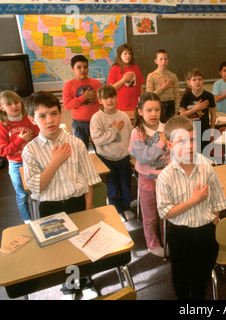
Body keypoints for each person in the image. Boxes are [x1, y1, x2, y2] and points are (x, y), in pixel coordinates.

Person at [22, 91, 101, 299]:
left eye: (54, 113)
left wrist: (89, 208)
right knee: (62, 252)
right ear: (32, 119)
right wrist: (55, 161)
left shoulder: (76, 143)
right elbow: (36, 187)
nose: (50, 120)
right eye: (42, 116)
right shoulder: (30, 151)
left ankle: (85, 281)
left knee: (82, 246)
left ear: (61, 114)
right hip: (50, 208)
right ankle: (69, 286)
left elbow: (89, 180)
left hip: (77, 203)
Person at [156, 116, 226, 300]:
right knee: (180, 278)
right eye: (182, 141)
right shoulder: (165, 177)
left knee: (201, 278)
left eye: (193, 140)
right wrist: (192, 202)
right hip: (180, 234)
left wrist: (212, 223)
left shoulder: (207, 169)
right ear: (170, 145)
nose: (189, 146)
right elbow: (165, 213)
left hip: (206, 232)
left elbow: (217, 202)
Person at [129, 92, 170, 257]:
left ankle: (166, 240)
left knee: (165, 213)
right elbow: (144, 156)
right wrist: (162, 141)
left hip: (166, 179)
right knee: (150, 216)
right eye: (149, 110)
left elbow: (174, 152)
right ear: (140, 111)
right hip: (147, 180)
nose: (153, 114)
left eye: (157, 110)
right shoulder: (137, 133)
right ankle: (153, 244)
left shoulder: (166, 128)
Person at [90, 84, 134, 222]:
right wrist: (114, 130)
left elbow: (130, 136)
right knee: (112, 187)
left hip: (123, 157)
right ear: (100, 100)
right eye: (106, 98)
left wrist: (131, 155)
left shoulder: (123, 116)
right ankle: (117, 210)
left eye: (112, 97)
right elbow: (98, 139)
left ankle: (126, 208)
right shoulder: (97, 118)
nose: (109, 100)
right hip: (107, 158)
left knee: (126, 185)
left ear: (116, 98)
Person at [0, 91, 39, 223]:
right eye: (9, 104)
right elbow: (4, 151)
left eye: (16, 102)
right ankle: (28, 221)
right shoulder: (2, 126)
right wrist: (21, 140)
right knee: (22, 195)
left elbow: (39, 137)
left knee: (38, 191)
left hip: (34, 162)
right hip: (16, 164)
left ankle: (41, 217)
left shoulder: (29, 119)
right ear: (2, 107)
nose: (14, 106)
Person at [63, 55, 102, 150]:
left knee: (100, 148)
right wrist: (84, 97)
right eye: (79, 67)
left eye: (85, 67)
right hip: (79, 123)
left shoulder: (96, 83)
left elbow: (102, 101)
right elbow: (67, 106)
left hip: (96, 121)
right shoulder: (68, 85)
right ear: (72, 69)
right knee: (81, 150)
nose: (83, 70)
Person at [180, 67, 216, 154]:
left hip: (204, 130)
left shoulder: (209, 96)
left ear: (203, 81)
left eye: (199, 79)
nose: (197, 82)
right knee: (192, 154)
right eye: (194, 79)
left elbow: (213, 114)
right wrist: (196, 108)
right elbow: (182, 115)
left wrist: (212, 130)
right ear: (189, 82)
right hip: (190, 130)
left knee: (204, 154)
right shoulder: (186, 96)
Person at [107, 43, 145, 111]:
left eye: (130, 54)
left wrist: (141, 101)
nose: (128, 56)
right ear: (120, 55)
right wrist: (124, 80)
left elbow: (140, 86)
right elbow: (111, 88)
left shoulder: (135, 68)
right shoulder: (114, 69)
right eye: (125, 53)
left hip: (135, 106)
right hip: (120, 106)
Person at [146, 49, 180, 122]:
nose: (163, 61)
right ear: (156, 61)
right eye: (161, 59)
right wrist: (163, 88)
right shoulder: (151, 76)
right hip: (157, 105)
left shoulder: (173, 76)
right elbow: (149, 96)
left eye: (165, 59)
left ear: (168, 60)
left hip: (171, 105)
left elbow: (177, 95)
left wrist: (177, 111)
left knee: (171, 130)